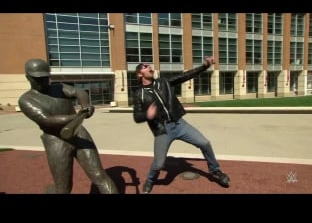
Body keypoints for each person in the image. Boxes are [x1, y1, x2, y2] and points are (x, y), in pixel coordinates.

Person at [18, 59, 119, 194]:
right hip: (55, 140)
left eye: (45, 78)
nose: (43, 81)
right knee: (63, 189)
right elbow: (47, 120)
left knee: (99, 175)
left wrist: (85, 105)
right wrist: (77, 116)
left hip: (79, 133)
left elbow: (79, 92)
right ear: (28, 77)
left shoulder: (58, 87)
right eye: (38, 79)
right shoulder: (26, 100)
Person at [133, 56, 230, 194]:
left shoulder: (163, 82)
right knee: (159, 164)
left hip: (179, 124)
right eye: (145, 66)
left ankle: (215, 171)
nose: (149, 67)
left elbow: (185, 76)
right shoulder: (139, 95)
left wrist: (205, 66)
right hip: (162, 131)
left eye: (149, 65)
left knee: (205, 143)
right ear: (139, 74)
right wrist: (146, 115)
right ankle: (150, 180)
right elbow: (136, 117)